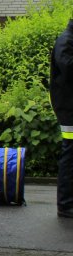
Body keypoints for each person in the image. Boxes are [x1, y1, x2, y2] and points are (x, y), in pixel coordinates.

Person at [50, 18, 73, 219]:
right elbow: (68, 69)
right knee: (70, 154)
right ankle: (65, 205)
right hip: (68, 108)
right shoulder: (66, 41)